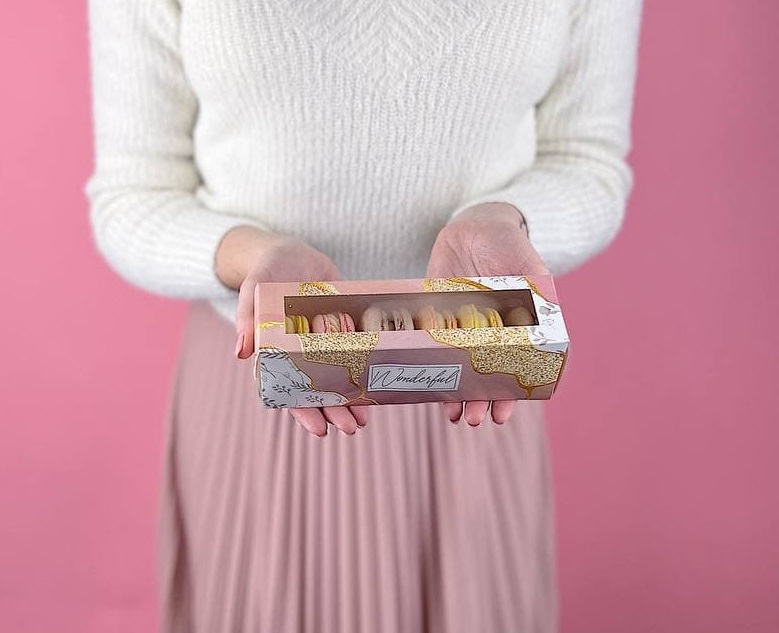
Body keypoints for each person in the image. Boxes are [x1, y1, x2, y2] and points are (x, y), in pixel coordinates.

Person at [86, 1, 642, 631]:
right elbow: (133, 198)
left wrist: (502, 218)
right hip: (264, 393)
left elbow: (587, 162)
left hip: (474, 381)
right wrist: (255, 256)